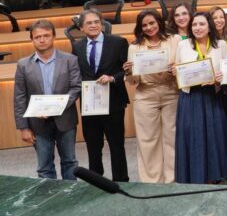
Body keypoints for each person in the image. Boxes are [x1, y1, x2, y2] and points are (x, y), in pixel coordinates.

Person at [13, 19, 81, 180]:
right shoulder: (23, 64)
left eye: (46, 36)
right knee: (44, 167)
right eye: (37, 37)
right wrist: (23, 127)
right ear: (32, 39)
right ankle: (49, 201)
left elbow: (76, 88)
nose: (42, 40)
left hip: (65, 120)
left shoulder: (70, 60)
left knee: (70, 162)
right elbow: (19, 97)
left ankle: (71, 198)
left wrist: (54, 108)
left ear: (54, 37)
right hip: (37, 124)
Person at [174, 11, 227, 184]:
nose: (198, 28)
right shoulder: (183, 45)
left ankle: (214, 176)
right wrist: (176, 72)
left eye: (202, 24)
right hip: (191, 98)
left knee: (214, 136)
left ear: (209, 27)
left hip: (212, 97)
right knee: (193, 137)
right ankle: (194, 175)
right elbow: (179, 74)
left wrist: (219, 79)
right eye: (194, 25)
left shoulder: (221, 45)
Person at [72, 10, 130, 181]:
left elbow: (127, 70)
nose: (93, 25)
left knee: (117, 146)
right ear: (81, 27)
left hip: (113, 102)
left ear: (102, 23)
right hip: (90, 105)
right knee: (93, 146)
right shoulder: (77, 47)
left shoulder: (119, 42)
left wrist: (112, 78)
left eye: (97, 21)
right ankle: (97, 181)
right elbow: (77, 73)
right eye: (89, 23)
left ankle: (121, 181)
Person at [123, 10, 178, 183]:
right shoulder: (134, 47)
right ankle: (152, 181)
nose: (149, 27)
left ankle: (173, 179)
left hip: (171, 91)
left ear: (159, 22)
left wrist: (176, 69)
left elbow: (182, 66)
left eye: (152, 23)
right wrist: (129, 72)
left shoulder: (174, 40)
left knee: (172, 138)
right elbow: (133, 81)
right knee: (147, 140)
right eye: (144, 25)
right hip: (145, 94)